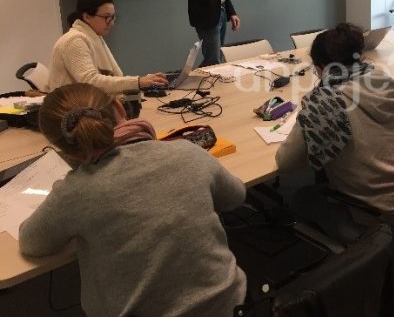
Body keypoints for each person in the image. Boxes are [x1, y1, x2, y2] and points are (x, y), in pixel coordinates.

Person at [19, 83, 247, 316]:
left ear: (64, 151)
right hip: (229, 305)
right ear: (120, 107)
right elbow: (236, 195)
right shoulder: (188, 152)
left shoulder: (75, 190)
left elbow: (31, 242)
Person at [276, 23, 394, 241]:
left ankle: (360, 258)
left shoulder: (325, 102)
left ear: (321, 68)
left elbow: (286, 163)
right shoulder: (385, 81)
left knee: (302, 197)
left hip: (385, 213)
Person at [48, 0, 167, 94]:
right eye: (107, 17)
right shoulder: (74, 40)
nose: (112, 23)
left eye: (113, 17)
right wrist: (138, 82)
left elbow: (112, 79)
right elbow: (90, 82)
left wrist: (143, 81)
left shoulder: (93, 36)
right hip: (72, 113)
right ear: (87, 17)